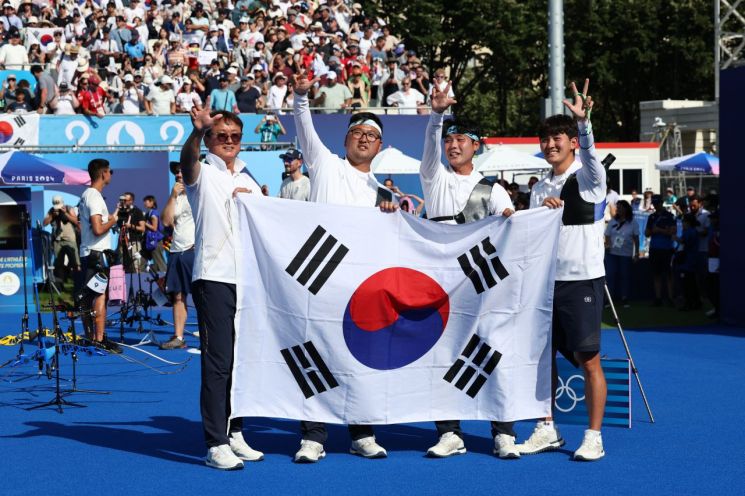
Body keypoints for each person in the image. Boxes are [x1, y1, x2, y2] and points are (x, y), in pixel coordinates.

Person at [291, 73, 396, 463]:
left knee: (361, 359)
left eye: (371, 134)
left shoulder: (382, 192)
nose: (364, 138)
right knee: (315, 358)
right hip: (319, 280)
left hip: (362, 286)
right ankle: (313, 436)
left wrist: (390, 215)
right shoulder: (325, 164)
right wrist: (301, 96)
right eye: (357, 132)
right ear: (345, 139)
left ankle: (362, 433)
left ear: (380, 145)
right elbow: (304, 125)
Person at [419, 83, 516, 459]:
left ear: (477, 146)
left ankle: (503, 431)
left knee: (491, 355)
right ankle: (449, 432)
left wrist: (512, 220)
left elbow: (513, 233)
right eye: (449, 139)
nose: (452, 145)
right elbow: (429, 151)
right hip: (441, 283)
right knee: (443, 355)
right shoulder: (435, 179)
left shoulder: (493, 190)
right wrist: (436, 115)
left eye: (461, 139)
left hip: (482, 285)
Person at [518, 79, 608, 461]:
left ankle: (593, 436)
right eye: (546, 139)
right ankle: (546, 427)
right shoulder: (539, 187)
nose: (551, 144)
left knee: (588, 360)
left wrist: (584, 124)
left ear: (572, 142)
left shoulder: (589, 179)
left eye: (559, 138)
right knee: (542, 361)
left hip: (582, 280)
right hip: (544, 286)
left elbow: (590, 155)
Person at [180, 102, 265, 470]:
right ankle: (215, 442)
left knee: (241, 362)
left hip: (248, 280)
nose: (228, 141)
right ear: (210, 140)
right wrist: (197, 132)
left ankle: (235, 432)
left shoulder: (248, 179)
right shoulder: (202, 173)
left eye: (234, 136)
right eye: (221, 136)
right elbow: (187, 161)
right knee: (218, 362)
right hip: (213, 277)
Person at [76, 159, 121, 353]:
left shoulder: (87, 195)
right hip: (96, 254)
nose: (111, 174)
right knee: (100, 296)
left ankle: (89, 337)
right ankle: (99, 339)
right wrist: (113, 220)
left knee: (87, 298)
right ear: (103, 173)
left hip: (89, 252)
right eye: (110, 171)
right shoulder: (94, 196)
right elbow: (97, 229)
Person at [160, 162, 195, 350]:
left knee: (202, 296)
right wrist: (173, 196)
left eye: (182, 170)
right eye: (176, 172)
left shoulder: (198, 192)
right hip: (176, 250)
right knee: (178, 296)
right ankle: (178, 337)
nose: (178, 174)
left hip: (194, 249)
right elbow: (166, 221)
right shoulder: (177, 196)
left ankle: (209, 336)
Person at [604, 199, 639, 307]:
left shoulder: (632, 221)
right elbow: (607, 235)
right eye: (617, 207)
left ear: (626, 208)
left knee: (624, 276)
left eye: (619, 207)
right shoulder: (613, 220)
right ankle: (609, 300)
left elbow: (636, 238)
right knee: (610, 276)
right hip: (612, 254)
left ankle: (624, 298)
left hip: (626, 254)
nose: (617, 209)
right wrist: (608, 245)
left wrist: (636, 253)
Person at [644, 194, 676, 306]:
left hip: (667, 249)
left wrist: (659, 230)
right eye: (654, 203)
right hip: (654, 249)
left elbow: (673, 232)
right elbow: (647, 233)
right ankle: (658, 298)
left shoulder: (669, 216)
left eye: (658, 203)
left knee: (668, 274)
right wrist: (658, 231)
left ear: (661, 203)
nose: (656, 205)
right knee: (656, 274)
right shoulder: (651, 217)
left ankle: (671, 298)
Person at [43, 195, 80, 284]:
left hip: (69, 238)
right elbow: (44, 223)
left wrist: (65, 213)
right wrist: (52, 216)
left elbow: (75, 221)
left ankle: (78, 282)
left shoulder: (68, 208)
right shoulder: (51, 211)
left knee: (75, 262)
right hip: (57, 240)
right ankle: (60, 283)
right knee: (58, 263)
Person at [674, 213, 700, 310]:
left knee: (688, 284)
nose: (682, 224)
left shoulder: (690, 232)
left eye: (684, 222)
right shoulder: (690, 231)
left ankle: (689, 303)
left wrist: (676, 238)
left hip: (688, 262)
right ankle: (695, 302)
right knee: (691, 283)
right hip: (688, 261)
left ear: (688, 222)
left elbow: (686, 243)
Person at [117, 192, 146, 273]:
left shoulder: (137, 211)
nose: (123, 202)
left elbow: (142, 228)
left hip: (134, 243)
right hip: (123, 243)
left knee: (136, 267)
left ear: (131, 201)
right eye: (122, 200)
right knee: (123, 267)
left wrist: (131, 226)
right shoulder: (121, 211)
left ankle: (138, 285)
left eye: (125, 200)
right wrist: (118, 209)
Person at [142, 195, 166, 273]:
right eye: (144, 201)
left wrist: (145, 223)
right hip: (151, 241)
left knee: (159, 262)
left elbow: (154, 228)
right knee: (154, 262)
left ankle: (166, 280)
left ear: (152, 202)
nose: (145, 203)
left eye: (147, 201)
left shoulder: (153, 214)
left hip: (156, 241)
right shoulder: (148, 213)